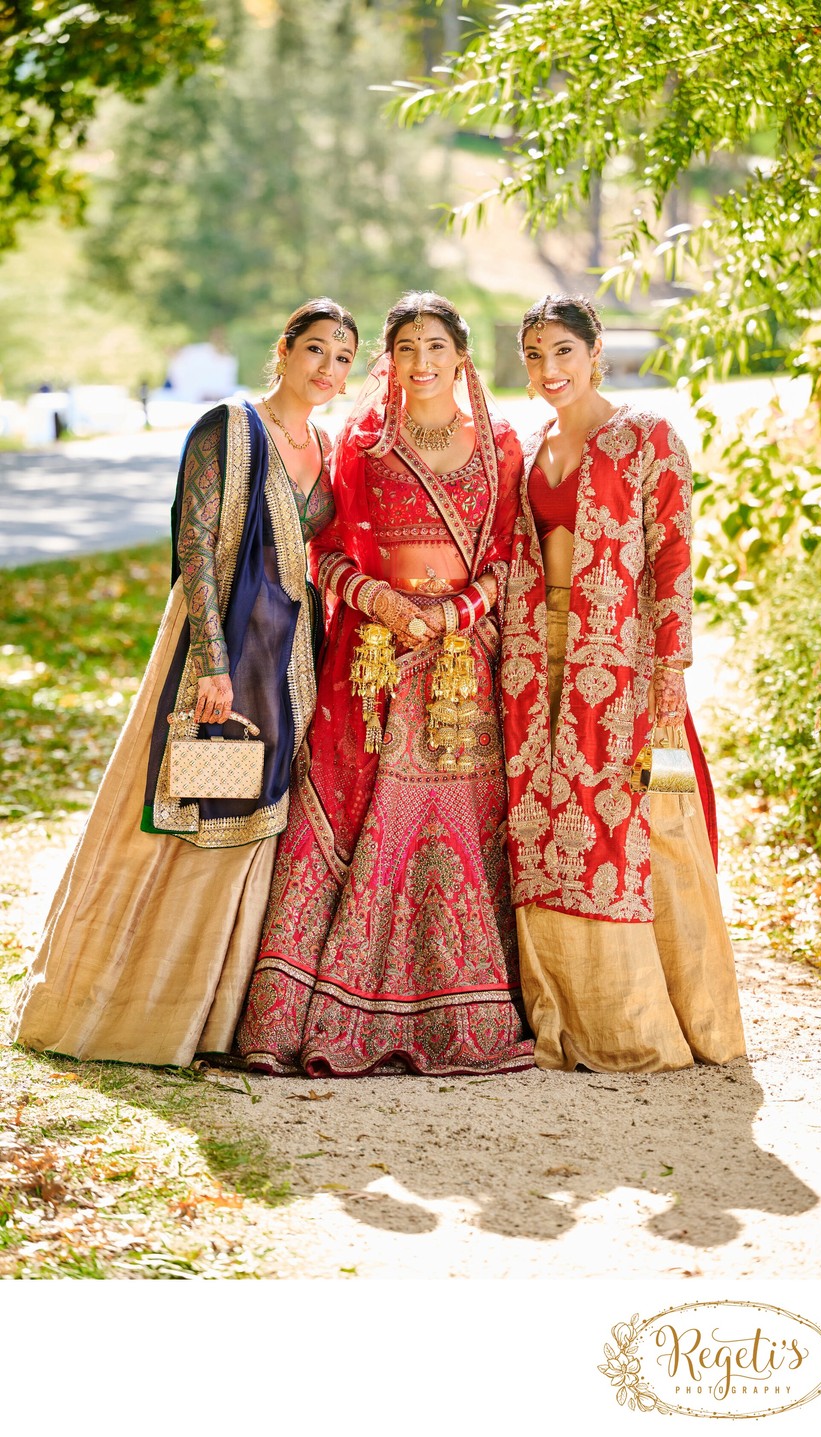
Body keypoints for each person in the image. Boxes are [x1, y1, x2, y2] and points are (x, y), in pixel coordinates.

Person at [12, 299, 358, 1067]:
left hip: (289, 655)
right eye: (315, 350)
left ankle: (225, 1016)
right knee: (195, 796)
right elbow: (195, 544)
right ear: (283, 348)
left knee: (258, 813)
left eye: (342, 357)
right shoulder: (230, 427)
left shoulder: (326, 446)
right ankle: (135, 1006)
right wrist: (211, 661)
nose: (328, 368)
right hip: (222, 649)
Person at [236, 292, 534, 1077]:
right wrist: (385, 604)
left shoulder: (501, 445)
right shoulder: (360, 445)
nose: (422, 362)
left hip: (460, 665)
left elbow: (510, 557)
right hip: (373, 659)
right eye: (406, 348)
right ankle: (297, 1015)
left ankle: (466, 1009)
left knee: (459, 823)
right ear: (389, 361)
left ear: (462, 356)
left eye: (435, 346)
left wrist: (455, 613)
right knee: (342, 808)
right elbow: (324, 553)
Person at [500, 294, 746, 1073]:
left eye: (563, 352)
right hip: (536, 660)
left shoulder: (646, 436)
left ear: (595, 350)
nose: (549, 370)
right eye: (534, 355)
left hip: (625, 662)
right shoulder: (530, 447)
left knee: (644, 823)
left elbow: (672, 556)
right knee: (545, 822)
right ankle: (559, 1012)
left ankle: (658, 1017)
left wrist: (671, 668)